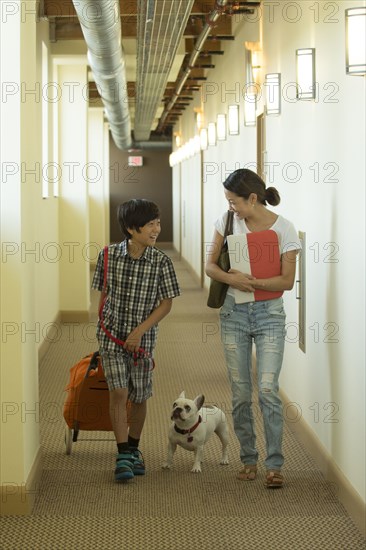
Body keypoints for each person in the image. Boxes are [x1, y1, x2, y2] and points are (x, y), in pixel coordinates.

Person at [205, 169, 301, 488]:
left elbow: (287, 281)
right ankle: (248, 458)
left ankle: (274, 463)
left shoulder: (285, 229)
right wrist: (232, 279)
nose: (231, 206)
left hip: (270, 314)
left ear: (253, 199)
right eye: (228, 201)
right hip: (234, 314)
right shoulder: (227, 221)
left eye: (234, 201)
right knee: (241, 391)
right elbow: (210, 265)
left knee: (268, 389)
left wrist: (254, 283)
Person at [92, 199, 180, 482]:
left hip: (143, 341)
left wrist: (140, 331)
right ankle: (121, 454)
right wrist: (108, 327)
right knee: (118, 392)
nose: (157, 229)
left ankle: (133, 448)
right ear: (131, 229)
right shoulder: (107, 256)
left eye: (158, 223)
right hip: (111, 337)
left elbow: (166, 304)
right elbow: (103, 294)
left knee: (139, 395)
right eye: (150, 224)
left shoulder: (161, 262)